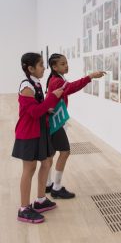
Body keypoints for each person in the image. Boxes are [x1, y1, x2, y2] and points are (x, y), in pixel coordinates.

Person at [12, 53, 64, 223]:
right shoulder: (27, 86)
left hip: (39, 130)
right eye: (41, 65)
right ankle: (24, 209)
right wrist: (52, 98)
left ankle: (40, 200)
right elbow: (34, 112)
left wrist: (47, 108)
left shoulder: (36, 83)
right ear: (31, 68)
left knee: (47, 162)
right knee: (30, 168)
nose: (44, 68)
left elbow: (38, 107)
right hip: (28, 132)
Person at [45, 53, 106, 199]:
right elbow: (71, 88)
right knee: (64, 152)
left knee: (51, 154)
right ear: (54, 67)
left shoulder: (57, 79)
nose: (66, 66)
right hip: (55, 122)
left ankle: (47, 185)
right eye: (62, 64)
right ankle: (56, 188)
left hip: (53, 120)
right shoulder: (56, 81)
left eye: (66, 63)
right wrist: (90, 76)